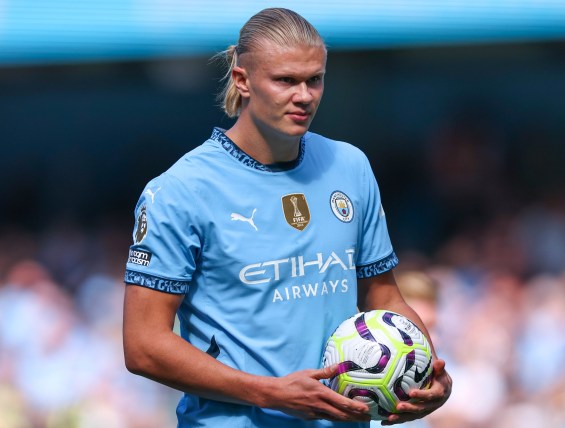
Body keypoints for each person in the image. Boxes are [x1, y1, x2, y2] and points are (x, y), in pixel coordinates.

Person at [122, 7, 451, 428]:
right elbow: (143, 345)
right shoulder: (181, 190)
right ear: (242, 80)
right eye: (285, 81)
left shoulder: (350, 166)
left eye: (315, 79)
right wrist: (269, 392)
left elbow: (383, 297)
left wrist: (430, 375)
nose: (304, 95)